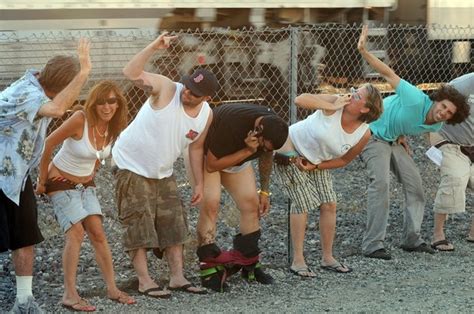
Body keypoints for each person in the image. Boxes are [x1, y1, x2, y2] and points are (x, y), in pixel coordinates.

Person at [112, 32, 215, 298]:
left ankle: (177, 278)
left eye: (195, 94)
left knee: (174, 224)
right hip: (131, 164)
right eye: (188, 87)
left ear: (207, 98)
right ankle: (145, 280)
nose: (188, 93)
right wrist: (153, 47)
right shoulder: (167, 88)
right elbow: (130, 72)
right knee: (138, 223)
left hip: (163, 171)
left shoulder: (206, 114)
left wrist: (198, 183)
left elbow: (196, 147)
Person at [357, 25, 470, 260]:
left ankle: (411, 239)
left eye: (449, 113)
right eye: (443, 107)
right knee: (381, 185)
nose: (443, 113)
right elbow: (388, 75)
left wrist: (400, 136)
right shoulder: (414, 97)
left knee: (416, 187)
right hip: (372, 135)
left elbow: (405, 121)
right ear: (437, 100)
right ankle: (372, 244)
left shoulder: (436, 125)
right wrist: (365, 52)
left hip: (392, 140)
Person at [0, 39, 91, 313]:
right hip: (1, 176)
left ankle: (24, 302)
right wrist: (84, 72)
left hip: (15, 178)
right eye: (74, 87)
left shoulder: (39, 87)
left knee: (25, 238)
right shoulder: (26, 93)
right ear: (64, 86)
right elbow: (57, 110)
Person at [35, 81, 134, 311]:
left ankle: (112, 288)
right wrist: (41, 181)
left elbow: (98, 156)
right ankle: (69, 294)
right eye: (101, 101)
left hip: (85, 183)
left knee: (98, 232)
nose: (107, 106)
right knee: (76, 232)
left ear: (118, 103)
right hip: (59, 181)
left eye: (112, 101)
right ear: (93, 103)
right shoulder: (80, 119)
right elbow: (48, 143)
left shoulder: (114, 126)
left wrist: (92, 173)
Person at [274, 84, 383, 277]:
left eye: (357, 96)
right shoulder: (336, 102)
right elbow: (300, 99)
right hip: (290, 146)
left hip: (316, 161)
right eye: (354, 90)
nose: (351, 95)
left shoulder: (364, 133)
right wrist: (331, 105)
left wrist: (315, 167)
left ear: (365, 109)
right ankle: (298, 260)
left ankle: (327, 257)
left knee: (329, 203)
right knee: (303, 201)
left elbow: (343, 160)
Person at [196, 103, 288, 292]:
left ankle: (249, 263)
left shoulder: (272, 125)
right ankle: (209, 270)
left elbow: (266, 154)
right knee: (211, 203)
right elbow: (213, 165)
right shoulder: (232, 123)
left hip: (237, 158)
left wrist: (265, 191)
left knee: (251, 205)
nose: (262, 148)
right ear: (257, 130)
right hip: (208, 157)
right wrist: (247, 151)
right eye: (261, 144)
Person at [429, 72, 473, 251]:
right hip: (449, 140)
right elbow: (435, 105)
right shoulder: (464, 84)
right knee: (454, 178)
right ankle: (437, 234)